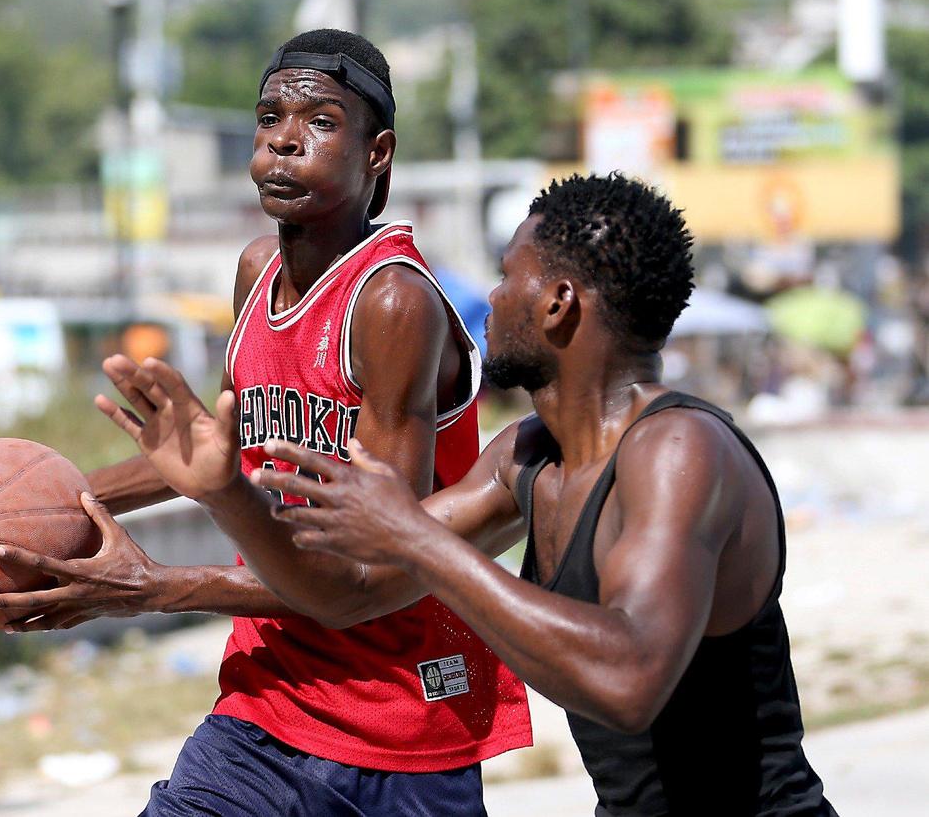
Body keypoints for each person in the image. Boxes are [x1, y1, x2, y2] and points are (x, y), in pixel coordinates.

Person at [0, 28, 531, 815]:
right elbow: (217, 455)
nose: (283, 138)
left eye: (318, 122)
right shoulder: (256, 271)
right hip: (268, 702)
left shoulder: (391, 302)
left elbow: (373, 578)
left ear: (378, 153)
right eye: (269, 115)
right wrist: (45, 508)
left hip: (402, 719)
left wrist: (158, 590)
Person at [235, 173, 838, 816]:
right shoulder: (526, 456)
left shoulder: (678, 451)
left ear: (558, 303)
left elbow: (628, 680)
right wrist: (193, 538)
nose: (489, 298)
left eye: (505, 275)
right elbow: (354, 587)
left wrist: (415, 539)